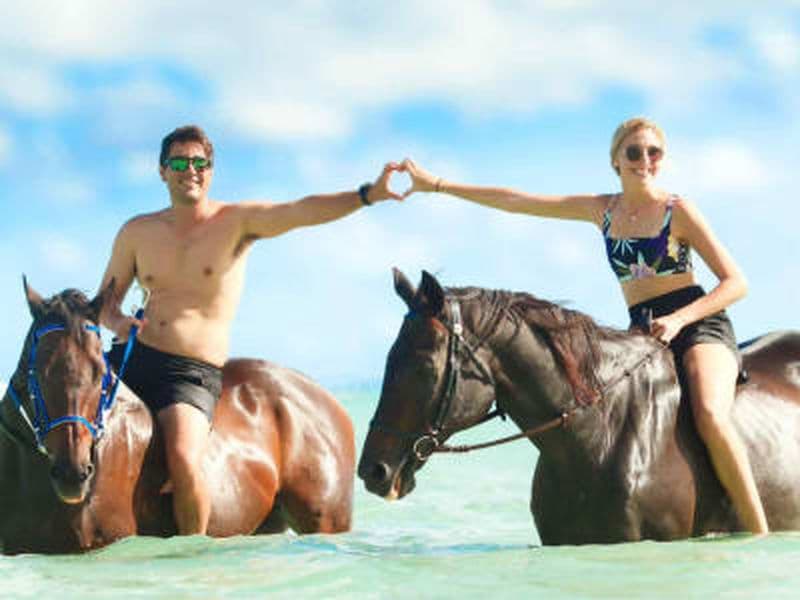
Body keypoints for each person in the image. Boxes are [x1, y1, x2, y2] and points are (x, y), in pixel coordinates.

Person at [400, 117, 768, 534]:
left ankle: (757, 530)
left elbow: (737, 282)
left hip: (700, 324)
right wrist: (436, 185)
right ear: (615, 160)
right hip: (643, 333)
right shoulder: (602, 210)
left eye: (654, 152)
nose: (644, 160)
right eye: (633, 152)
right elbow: (519, 200)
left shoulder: (678, 211)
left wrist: (680, 319)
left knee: (708, 412)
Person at [98, 124, 403, 535]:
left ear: (211, 170)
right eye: (180, 162)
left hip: (187, 374)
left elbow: (301, 211)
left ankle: (192, 559)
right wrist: (118, 322)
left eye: (200, 163)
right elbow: (105, 304)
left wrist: (368, 194)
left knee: (186, 461)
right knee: (61, 424)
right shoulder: (137, 231)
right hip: (129, 360)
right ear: (162, 171)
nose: (191, 170)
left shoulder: (237, 222)